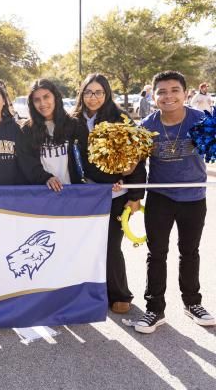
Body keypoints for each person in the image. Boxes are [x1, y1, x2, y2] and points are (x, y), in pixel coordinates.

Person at [133, 70, 215, 333]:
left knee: (189, 252)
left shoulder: (201, 119)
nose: (168, 96)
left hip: (193, 197)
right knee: (156, 254)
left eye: (174, 90)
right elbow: (133, 163)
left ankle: (192, 303)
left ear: (185, 93)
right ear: (154, 96)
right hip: (160, 197)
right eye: (162, 92)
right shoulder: (147, 125)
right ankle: (154, 309)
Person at [72, 73, 146, 314]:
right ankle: (90, 292)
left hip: (115, 193)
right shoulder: (73, 121)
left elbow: (138, 156)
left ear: (107, 94)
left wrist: (135, 195)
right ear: (82, 94)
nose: (93, 97)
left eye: (99, 92)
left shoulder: (121, 118)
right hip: (84, 194)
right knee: (85, 245)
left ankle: (120, 293)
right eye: (88, 92)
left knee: (111, 245)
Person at [20, 79, 88, 191]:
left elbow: (87, 159)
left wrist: (112, 179)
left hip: (73, 194)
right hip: (43, 195)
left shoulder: (74, 125)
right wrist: (46, 178)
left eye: (46, 97)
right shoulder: (27, 130)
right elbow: (28, 164)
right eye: (37, 100)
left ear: (55, 97)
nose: (42, 103)